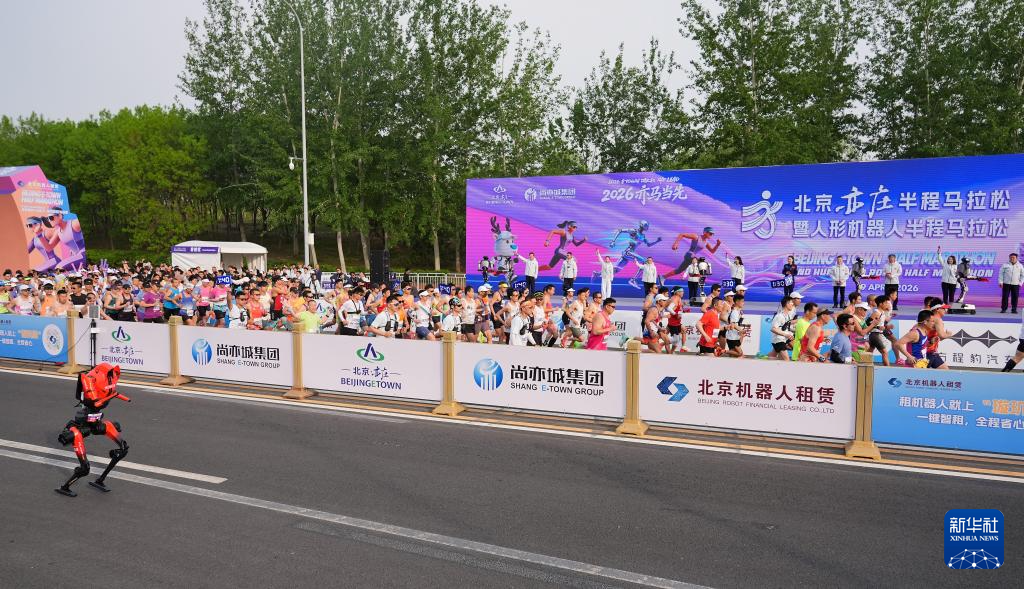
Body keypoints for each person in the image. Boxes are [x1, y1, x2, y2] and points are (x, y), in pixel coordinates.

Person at [55, 363, 131, 497]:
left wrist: (113, 394)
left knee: (123, 448)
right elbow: (95, 402)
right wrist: (112, 395)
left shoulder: (110, 379)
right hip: (80, 427)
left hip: (95, 423)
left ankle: (100, 480)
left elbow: (102, 402)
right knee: (85, 468)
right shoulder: (89, 380)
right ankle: (65, 487)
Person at [768, 296, 796, 361]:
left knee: (777, 358)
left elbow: (786, 328)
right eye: (791, 302)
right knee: (786, 360)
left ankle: (764, 359)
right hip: (778, 340)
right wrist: (785, 334)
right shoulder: (779, 316)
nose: (793, 304)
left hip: (784, 339)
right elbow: (773, 329)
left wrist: (790, 334)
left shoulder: (788, 316)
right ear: (787, 304)